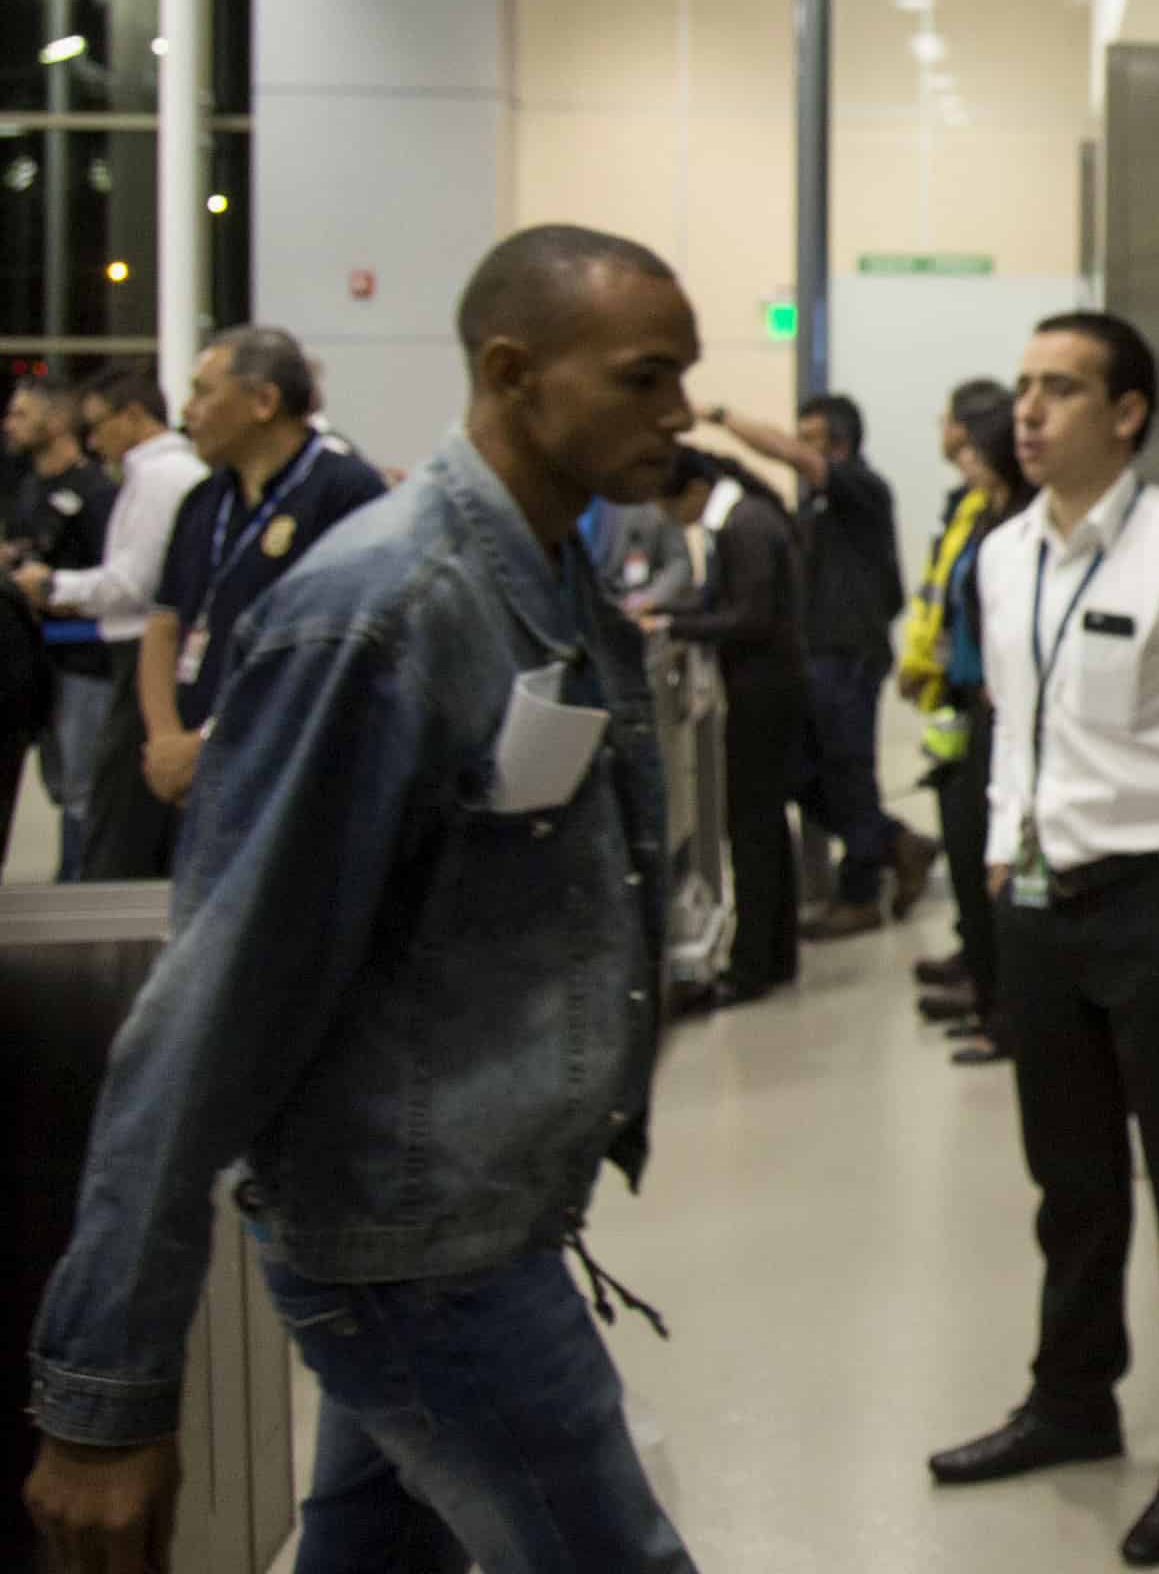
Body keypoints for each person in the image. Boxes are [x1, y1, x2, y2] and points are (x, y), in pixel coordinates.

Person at [22, 224, 704, 1574]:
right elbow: (214, 997)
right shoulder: (382, 613)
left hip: (466, 1211)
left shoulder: (557, 583)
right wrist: (107, 1394)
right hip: (425, 1259)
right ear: (514, 373)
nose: (679, 413)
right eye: (643, 377)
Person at [928, 313, 1159, 1569]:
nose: (1027, 412)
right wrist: (997, 847)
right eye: (1024, 387)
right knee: (1072, 1181)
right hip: (1039, 898)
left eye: (1061, 390)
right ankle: (1074, 1398)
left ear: (1128, 412)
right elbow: (1011, 722)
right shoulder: (1004, 552)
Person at [704, 393, 938, 936]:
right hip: (821, 655)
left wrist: (721, 416)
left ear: (839, 444)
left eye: (808, 438)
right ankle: (896, 843)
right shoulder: (813, 506)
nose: (795, 448)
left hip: (849, 654)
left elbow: (792, 457)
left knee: (848, 770)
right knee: (803, 773)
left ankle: (860, 894)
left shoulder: (861, 487)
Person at [137, 327, 388, 826]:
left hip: (299, 779)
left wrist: (211, 743)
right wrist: (165, 741)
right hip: (200, 777)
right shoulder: (204, 501)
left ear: (264, 401)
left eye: (203, 392)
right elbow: (165, 626)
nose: (187, 412)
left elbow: (344, 657)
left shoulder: (345, 492)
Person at [14, 366, 209, 882]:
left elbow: (135, 584)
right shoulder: (154, 475)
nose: (92, 440)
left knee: (121, 823)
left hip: (144, 657)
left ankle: (111, 952)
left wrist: (55, 586)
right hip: (136, 653)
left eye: (99, 425)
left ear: (133, 415)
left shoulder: (163, 477)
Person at [643, 446, 807, 1006]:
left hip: (763, 693)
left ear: (692, 490)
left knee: (752, 826)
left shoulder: (743, 528)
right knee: (764, 824)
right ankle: (775, 954)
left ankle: (752, 967)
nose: (667, 520)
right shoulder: (744, 521)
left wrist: (672, 624)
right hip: (768, 689)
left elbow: (750, 617)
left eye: (668, 506)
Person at [902, 379, 1029, 1064]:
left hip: (998, 708)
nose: (965, 462)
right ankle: (988, 1001)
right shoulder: (979, 516)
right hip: (964, 700)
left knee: (996, 869)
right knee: (969, 854)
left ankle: (1004, 1014)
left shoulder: (1021, 523)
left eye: (976, 451)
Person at [3, 377, 117, 878]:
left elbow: (119, 578)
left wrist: (52, 586)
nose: (11, 424)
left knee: (81, 781)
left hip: (86, 660)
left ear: (56, 421)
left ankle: (81, 880)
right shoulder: (28, 488)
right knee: (54, 779)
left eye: (22, 414)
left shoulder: (97, 492)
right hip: (35, 660)